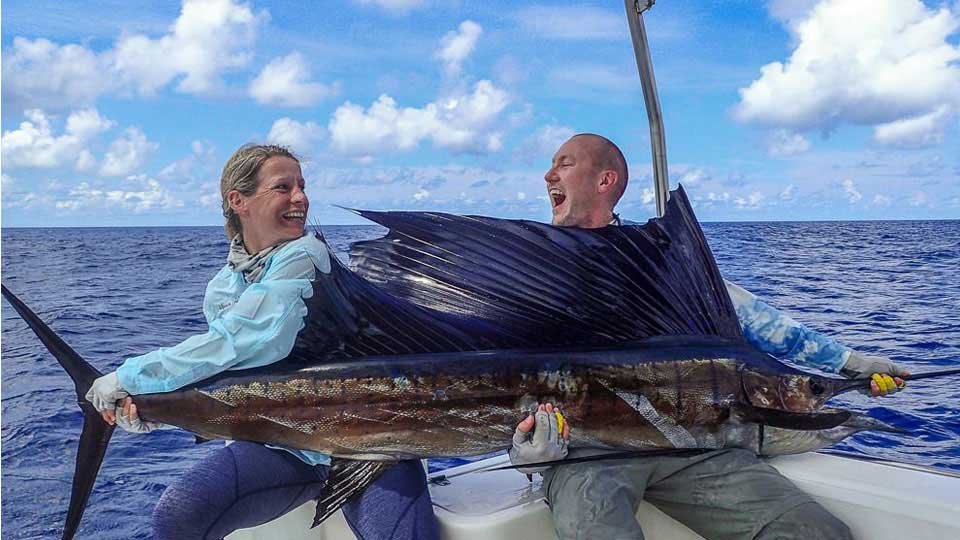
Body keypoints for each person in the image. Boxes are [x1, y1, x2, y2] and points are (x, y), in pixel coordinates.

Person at [509, 133, 908, 540]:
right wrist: (524, 454)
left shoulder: (659, 261)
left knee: (816, 532)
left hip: (694, 445)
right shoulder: (540, 275)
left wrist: (852, 366)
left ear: (605, 180)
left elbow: (764, 324)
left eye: (564, 163)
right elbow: (491, 385)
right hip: (588, 455)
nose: (547, 174)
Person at [85, 144, 440, 540]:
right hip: (284, 447)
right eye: (283, 187)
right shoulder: (223, 285)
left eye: (302, 186)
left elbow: (252, 338)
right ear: (240, 201)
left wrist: (132, 378)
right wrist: (152, 410)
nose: (301, 198)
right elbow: (228, 376)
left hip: (375, 447)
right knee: (178, 513)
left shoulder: (306, 255)